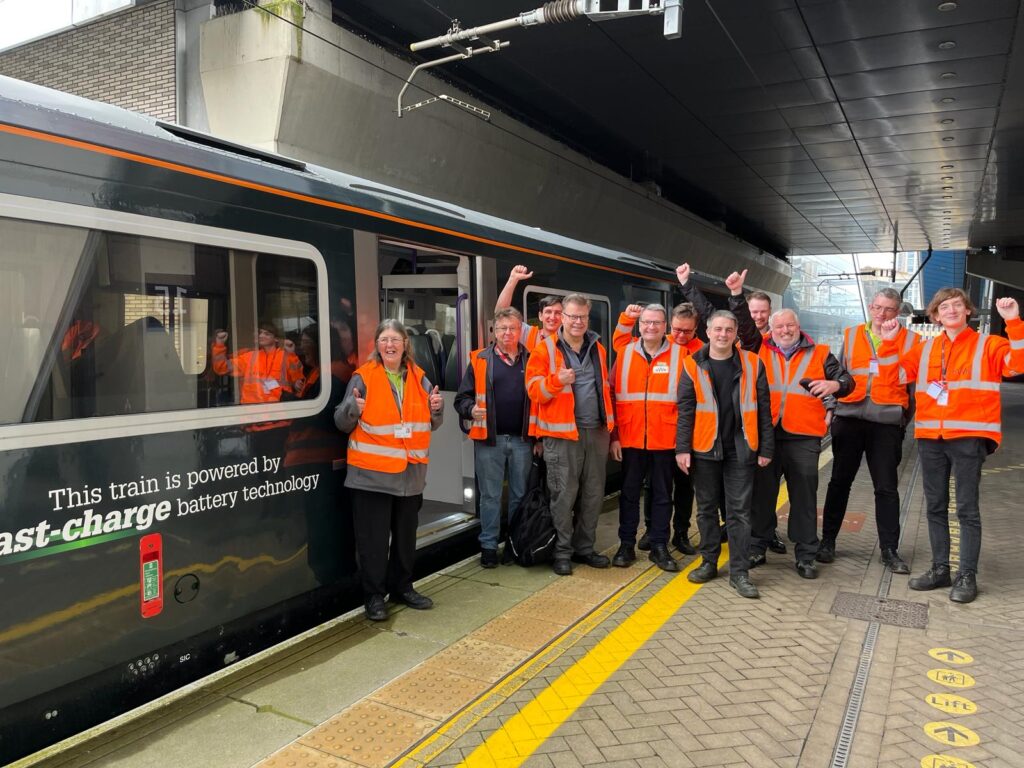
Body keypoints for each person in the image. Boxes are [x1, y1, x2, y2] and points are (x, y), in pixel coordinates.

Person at [880, 291, 1024, 603]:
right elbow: (893, 376)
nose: (951, 310)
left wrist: (1012, 321)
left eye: (957, 305)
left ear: (968, 311)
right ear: (935, 316)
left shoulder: (988, 344)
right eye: (944, 307)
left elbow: (1017, 365)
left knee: (966, 509)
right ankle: (940, 569)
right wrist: (890, 342)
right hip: (931, 437)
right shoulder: (926, 348)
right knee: (933, 506)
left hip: (970, 436)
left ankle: (966, 575)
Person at [334, 319, 445, 621]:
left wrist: (437, 408)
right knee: (373, 541)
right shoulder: (363, 378)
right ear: (377, 346)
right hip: (372, 476)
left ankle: (403, 587)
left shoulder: (419, 378)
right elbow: (342, 422)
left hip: (410, 475)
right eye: (384, 339)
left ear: (405, 344)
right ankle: (374, 596)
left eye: (395, 339)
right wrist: (352, 409)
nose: (390, 345)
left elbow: (433, 422)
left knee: (406, 539)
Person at [738, 298, 854, 578]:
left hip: (803, 435)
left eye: (790, 325)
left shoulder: (821, 353)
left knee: (803, 495)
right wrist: (737, 293)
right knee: (762, 493)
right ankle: (757, 546)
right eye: (779, 326)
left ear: (798, 327)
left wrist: (834, 384)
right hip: (767, 433)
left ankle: (805, 555)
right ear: (771, 328)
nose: (785, 330)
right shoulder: (759, 349)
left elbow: (848, 383)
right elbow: (742, 323)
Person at [677, 263, 788, 556]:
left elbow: (761, 406)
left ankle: (756, 545)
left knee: (752, 500)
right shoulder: (704, 357)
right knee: (715, 506)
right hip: (712, 443)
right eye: (753, 311)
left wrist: (737, 293)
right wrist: (687, 285)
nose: (758, 317)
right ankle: (722, 553)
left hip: (749, 437)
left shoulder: (752, 347)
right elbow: (714, 317)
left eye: (763, 312)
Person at [818, 288, 921, 572]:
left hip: (886, 423)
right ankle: (827, 541)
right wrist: (832, 407)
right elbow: (837, 376)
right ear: (870, 306)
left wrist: (902, 421)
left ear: (898, 312)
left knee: (886, 488)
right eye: (877, 307)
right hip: (849, 418)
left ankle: (889, 550)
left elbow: (913, 389)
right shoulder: (851, 334)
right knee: (839, 482)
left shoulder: (912, 340)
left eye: (888, 309)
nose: (881, 314)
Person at [676, 310, 774, 598]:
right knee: (706, 510)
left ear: (735, 334)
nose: (723, 334)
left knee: (739, 512)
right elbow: (685, 411)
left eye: (728, 330)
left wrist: (765, 448)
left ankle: (740, 572)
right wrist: (682, 448)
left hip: (741, 449)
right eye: (717, 329)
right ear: (707, 332)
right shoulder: (691, 364)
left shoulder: (753, 364)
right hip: (704, 448)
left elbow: (764, 410)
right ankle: (708, 562)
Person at [526, 293, 614, 575]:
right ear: (562, 317)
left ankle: (584, 548)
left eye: (583, 317)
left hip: (596, 432)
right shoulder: (544, 350)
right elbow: (533, 391)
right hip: (562, 436)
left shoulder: (597, 348)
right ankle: (562, 552)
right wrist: (556, 381)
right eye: (572, 316)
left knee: (593, 494)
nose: (578, 322)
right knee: (563, 495)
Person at [454, 308, 534, 568]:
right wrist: (470, 410)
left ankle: (513, 544)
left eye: (512, 328)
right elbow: (461, 398)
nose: (507, 333)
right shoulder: (479, 360)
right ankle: (489, 547)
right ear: (494, 331)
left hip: (524, 440)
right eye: (502, 329)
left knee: (520, 495)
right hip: (490, 441)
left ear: (520, 329)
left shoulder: (532, 359)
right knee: (489, 496)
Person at [609, 304, 685, 573]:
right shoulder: (625, 354)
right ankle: (626, 544)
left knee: (663, 495)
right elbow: (612, 396)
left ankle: (659, 546)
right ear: (639, 326)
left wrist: (683, 444)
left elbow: (688, 403)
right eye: (646, 323)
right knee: (628, 494)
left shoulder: (681, 355)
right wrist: (614, 437)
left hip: (666, 440)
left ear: (666, 326)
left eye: (656, 323)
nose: (651, 327)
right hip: (630, 439)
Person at [211, 321, 304, 405]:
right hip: (252, 415)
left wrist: (292, 354)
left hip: (279, 414)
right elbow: (221, 367)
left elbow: (299, 383)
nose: (261, 336)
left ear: (276, 339)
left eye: (266, 334)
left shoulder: (285, 356)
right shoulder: (249, 357)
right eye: (260, 333)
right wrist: (219, 344)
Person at [494, 264, 562, 348]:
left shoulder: (569, 341)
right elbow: (501, 315)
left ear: (563, 317)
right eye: (548, 312)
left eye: (558, 313)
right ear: (540, 316)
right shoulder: (529, 334)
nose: (552, 317)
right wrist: (513, 279)